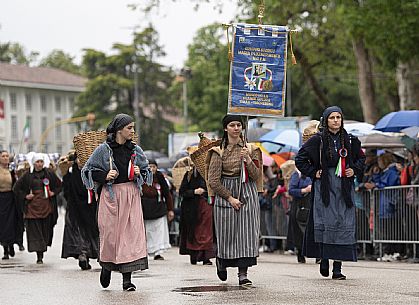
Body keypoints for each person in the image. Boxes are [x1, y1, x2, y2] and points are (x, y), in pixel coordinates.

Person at [81, 113, 152, 291]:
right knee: (111, 236)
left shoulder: (135, 150)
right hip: (111, 196)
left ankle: (127, 280)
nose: (132, 131)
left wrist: (139, 172)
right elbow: (88, 170)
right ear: (119, 129)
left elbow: (146, 171)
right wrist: (104, 176)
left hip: (131, 195)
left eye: (133, 128)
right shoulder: (103, 149)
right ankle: (106, 266)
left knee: (130, 237)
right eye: (129, 128)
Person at [295, 106, 365, 280]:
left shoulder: (350, 140)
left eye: (338, 117)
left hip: (344, 188)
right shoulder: (317, 140)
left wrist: (354, 170)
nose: (335, 120)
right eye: (332, 117)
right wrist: (314, 172)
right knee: (326, 222)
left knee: (342, 222)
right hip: (325, 187)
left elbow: (361, 158)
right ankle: (325, 258)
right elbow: (300, 159)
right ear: (325, 121)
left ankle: (338, 268)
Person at [206, 114, 263, 286]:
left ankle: (243, 274)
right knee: (228, 235)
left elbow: (256, 175)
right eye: (232, 125)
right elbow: (213, 181)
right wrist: (230, 198)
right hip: (226, 194)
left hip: (247, 192)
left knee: (246, 235)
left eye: (239, 125)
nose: (236, 128)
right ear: (226, 128)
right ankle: (222, 262)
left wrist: (247, 159)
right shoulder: (218, 151)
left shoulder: (251, 149)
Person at [13, 153, 62, 264]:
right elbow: (16, 188)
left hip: (46, 206)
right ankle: (38, 255)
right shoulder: (27, 175)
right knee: (35, 231)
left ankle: (42, 250)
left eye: (41, 162)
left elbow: (59, 185)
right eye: (37, 162)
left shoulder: (49, 174)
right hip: (32, 208)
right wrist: (25, 196)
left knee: (45, 229)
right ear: (33, 163)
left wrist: (53, 193)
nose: (39, 164)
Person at [61, 152, 99, 270]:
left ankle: (89, 254)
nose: (80, 161)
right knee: (78, 232)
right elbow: (66, 190)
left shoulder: (91, 172)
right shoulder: (71, 173)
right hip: (75, 208)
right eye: (78, 159)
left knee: (91, 232)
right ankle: (82, 254)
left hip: (90, 208)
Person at [178, 156, 214, 265]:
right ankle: (193, 255)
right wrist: (194, 192)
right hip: (192, 208)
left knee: (207, 231)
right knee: (193, 230)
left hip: (206, 206)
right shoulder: (189, 175)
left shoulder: (209, 174)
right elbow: (182, 192)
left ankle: (205, 257)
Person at [141, 159, 174, 260]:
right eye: (150, 166)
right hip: (145, 208)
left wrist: (170, 209)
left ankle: (157, 252)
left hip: (158, 208)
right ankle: (144, 252)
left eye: (154, 167)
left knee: (159, 232)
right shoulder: (142, 177)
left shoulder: (160, 177)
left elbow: (167, 194)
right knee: (146, 232)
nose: (152, 169)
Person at [0, 151, 18, 260]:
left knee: (11, 224)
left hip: (11, 199)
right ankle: (5, 249)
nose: (5, 158)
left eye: (7, 156)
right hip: (1, 199)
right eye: (3, 156)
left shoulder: (12, 170)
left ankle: (11, 244)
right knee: (2, 225)